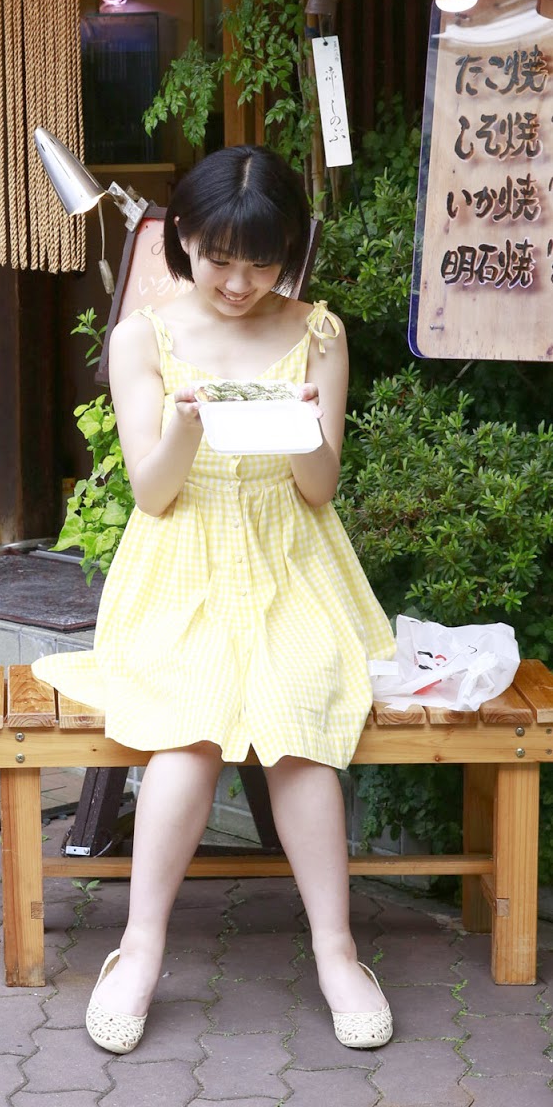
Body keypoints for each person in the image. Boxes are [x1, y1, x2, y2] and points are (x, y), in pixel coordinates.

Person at [32, 145, 396, 1056]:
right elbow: (153, 495)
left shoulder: (319, 333)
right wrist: (188, 427)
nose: (239, 284)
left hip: (293, 565)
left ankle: (338, 952)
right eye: (220, 258)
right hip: (181, 567)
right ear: (183, 239)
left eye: (262, 263)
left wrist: (302, 427)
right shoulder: (141, 337)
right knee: (189, 733)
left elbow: (320, 489)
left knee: (297, 726)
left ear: (290, 254)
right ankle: (139, 950)